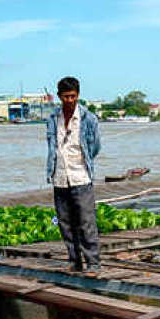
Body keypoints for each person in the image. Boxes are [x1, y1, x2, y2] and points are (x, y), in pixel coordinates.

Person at [46, 76, 102, 273]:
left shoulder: (89, 118)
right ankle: (74, 261)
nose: (69, 100)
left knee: (87, 221)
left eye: (73, 96)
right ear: (59, 97)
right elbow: (52, 146)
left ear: (78, 96)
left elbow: (95, 147)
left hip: (81, 176)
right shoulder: (53, 118)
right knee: (65, 222)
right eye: (65, 96)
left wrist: (83, 162)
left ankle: (93, 263)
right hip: (60, 177)